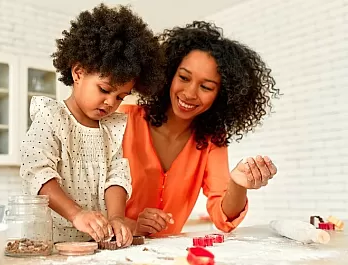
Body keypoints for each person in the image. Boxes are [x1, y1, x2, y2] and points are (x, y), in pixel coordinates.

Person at [19, 3, 165, 247]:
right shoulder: (51, 117)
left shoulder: (111, 128)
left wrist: (117, 217)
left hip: (92, 244)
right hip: (48, 242)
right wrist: (76, 214)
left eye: (120, 97)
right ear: (78, 73)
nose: (110, 103)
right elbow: (38, 173)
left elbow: (116, 177)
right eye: (105, 90)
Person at [119, 21, 281, 236]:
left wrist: (238, 184)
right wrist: (130, 224)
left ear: (222, 96)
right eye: (184, 78)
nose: (190, 93)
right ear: (168, 75)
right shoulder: (124, 119)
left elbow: (223, 218)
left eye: (206, 87)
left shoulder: (211, 140)